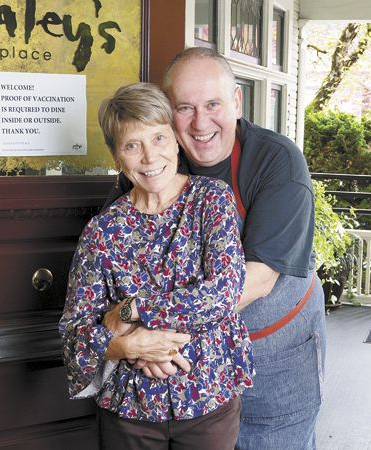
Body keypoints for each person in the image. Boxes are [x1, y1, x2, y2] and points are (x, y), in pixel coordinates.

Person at [109, 47, 325, 450]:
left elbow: (256, 280)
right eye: (184, 108)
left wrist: (154, 335)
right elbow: (116, 265)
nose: (200, 122)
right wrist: (139, 341)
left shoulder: (276, 161)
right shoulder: (154, 163)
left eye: (213, 104)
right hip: (191, 364)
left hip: (273, 353)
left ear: (237, 102)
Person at [60, 82, 254, 450]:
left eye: (159, 139)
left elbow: (224, 294)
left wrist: (133, 311)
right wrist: (129, 347)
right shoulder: (102, 232)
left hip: (207, 398)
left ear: (177, 141)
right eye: (132, 145)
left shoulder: (211, 201)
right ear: (117, 156)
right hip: (128, 412)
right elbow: (74, 337)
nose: (149, 157)